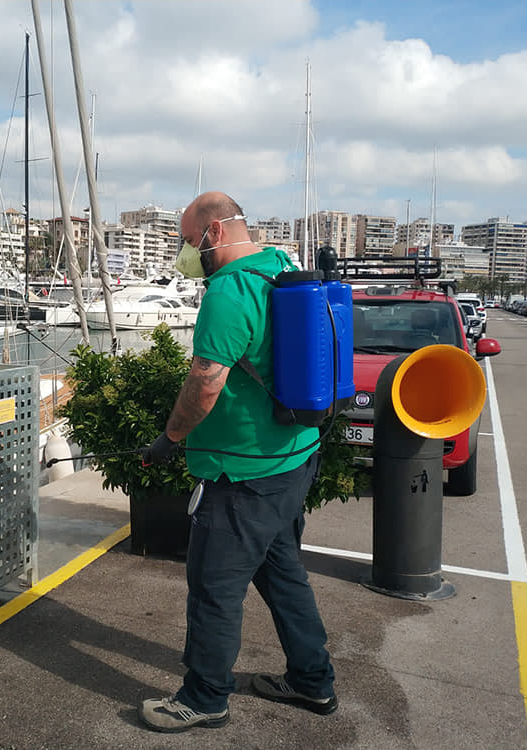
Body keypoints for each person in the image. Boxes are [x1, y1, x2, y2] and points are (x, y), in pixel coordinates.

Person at [138, 191, 337, 733]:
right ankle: (312, 681)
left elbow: (205, 383)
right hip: (295, 459)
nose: (184, 251)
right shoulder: (280, 269)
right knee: (283, 577)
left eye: (186, 240)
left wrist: (170, 437)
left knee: (213, 589)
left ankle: (204, 696)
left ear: (215, 233)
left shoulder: (228, 290)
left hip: (242, 473)